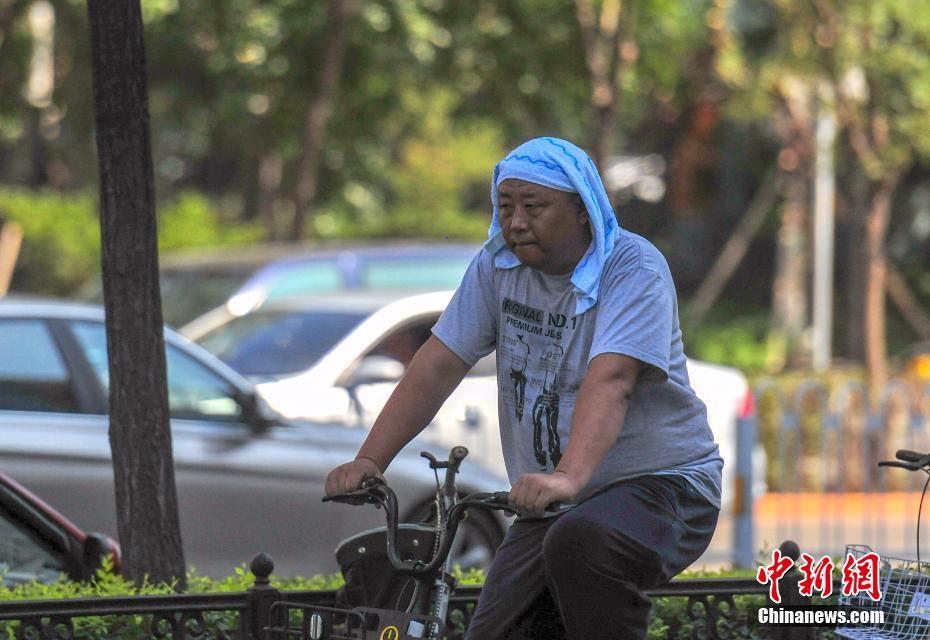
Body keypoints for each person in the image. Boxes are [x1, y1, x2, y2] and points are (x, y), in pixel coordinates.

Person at [325, 137, 723, 640]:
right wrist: (370, 460)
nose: (515, 222)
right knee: (497, 629)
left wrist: (568, 478)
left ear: (582, 209)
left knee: (582, 543)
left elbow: (613, 378)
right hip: (560, 503)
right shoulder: (498, 267)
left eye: (533, 207)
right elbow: (437, 365)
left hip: (663, 487)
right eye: (505, 206)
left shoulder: (631, 268)